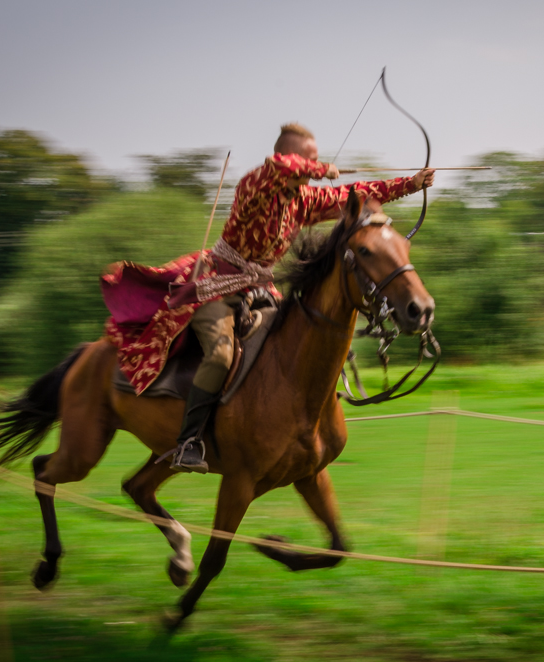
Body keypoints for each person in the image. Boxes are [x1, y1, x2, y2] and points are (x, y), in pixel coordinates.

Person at [100, 123, 434, 473]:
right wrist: (322, 170)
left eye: (317, 161)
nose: (315, 168)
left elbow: (360, 193)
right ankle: (189, 441)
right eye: (310, 160)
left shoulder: (304, 201)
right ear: (288, 158)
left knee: (299, 340)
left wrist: (409, 184)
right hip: (216, 285)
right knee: (220, 354)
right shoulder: (254, 187)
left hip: (260, 289)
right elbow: (277, 169)